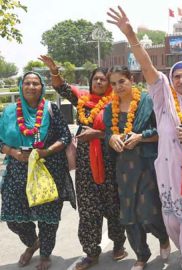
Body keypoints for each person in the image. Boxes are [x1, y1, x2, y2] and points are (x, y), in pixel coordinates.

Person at [107, 7, 182, 269]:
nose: (179, 80)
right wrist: (131, 35)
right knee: (174, 224)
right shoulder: (163, 99)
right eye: (176, 76)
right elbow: (147, 66)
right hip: (167, 174)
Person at [39, 55, 127, 270]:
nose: (99, 82)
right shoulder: (82, 99)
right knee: (88, 209)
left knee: (114, 206)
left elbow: (124, 130)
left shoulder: (117, 102)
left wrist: (97, 133)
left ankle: (118, 245)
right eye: (95, 79)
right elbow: (62, 87)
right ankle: (91, 252)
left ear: (109, 83)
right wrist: (53, 70)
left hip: (111, 161)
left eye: (103, 79)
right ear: (91, 82)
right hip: (86, 164)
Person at [0, 72, 76, 270]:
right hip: (17, 171)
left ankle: (45, 254)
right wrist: (13, 152)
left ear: (42, 87)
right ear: (20, 86)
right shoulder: (9, 112)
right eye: (27, 83)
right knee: (12, 218)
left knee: (47, 216)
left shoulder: (51, 109)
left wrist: (46, 151)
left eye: (36, 83)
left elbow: (66, 136)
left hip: (48, 170)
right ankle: (33, 243)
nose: (31, 87)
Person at [102, 65, 170, 270]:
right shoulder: (109, 108)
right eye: (113, 83)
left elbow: (164, 131)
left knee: (149, 212)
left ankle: (163, 236)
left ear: (131, 79)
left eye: (121, 81)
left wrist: (141, 137)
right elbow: (106, 133)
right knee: (129, 215)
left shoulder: (148, 102)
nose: (117, 87)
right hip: (123, 169)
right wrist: (111, 137)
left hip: (146, 165)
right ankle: (141, 255)